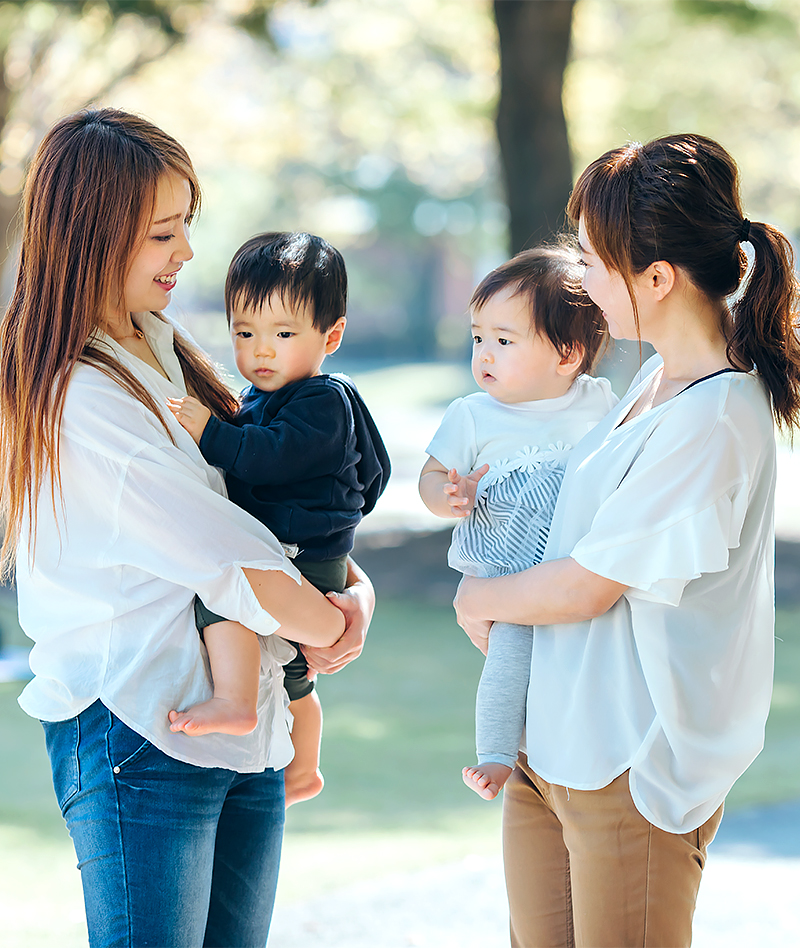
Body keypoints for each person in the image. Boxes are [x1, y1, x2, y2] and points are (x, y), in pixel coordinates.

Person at [0, 108, 375, 948]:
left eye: (186, 227)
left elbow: (271, 509)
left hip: (246, 731)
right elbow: (224, 551)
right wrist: (329, 625)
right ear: (95, 236)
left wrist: (353, 594)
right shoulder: (78, 394)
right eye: (164, 233)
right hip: (143, 726)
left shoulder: (164, 349)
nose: (188, 253)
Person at [454, 133, 800, 948]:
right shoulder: (651, 382)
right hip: (551, 750)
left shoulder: (715, 415)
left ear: (657, 277)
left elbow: (589, 583)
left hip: (629, 769)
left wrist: (479, 596)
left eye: (595, 258)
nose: (579, 276)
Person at [166, 231, 391, 806]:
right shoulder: (263, 396)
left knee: (225, 593)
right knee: (296, 677)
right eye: (245, 333)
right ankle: (305, 771)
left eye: (284, 334)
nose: (261, 350)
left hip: (302, 555)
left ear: (331, 335)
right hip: (304, 552)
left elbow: (271, 458)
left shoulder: (320, 401)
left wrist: (210, 432)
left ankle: (235, 702)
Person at [418, 247, 615, 801]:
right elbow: (430, 478)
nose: (484, 354)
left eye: (504, 341)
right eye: (478, 338)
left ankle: (578, 743)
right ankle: (499, 755)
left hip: (577, 569)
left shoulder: (598, 401)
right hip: (510, 580)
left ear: (568, 354)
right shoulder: (472, 415)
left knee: (588, 662)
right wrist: (448, 496)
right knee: (510, 661)